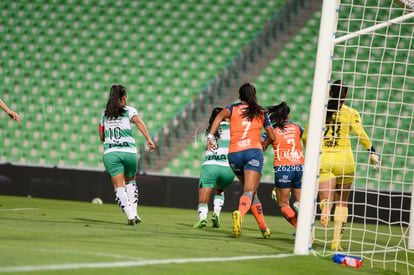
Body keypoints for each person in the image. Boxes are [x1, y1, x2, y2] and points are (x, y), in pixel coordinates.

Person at [302, 80, 380, 251]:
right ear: (346, 95)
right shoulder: (351, 113)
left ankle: (325, 208)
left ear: (330, 93)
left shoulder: (319, 112)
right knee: (342, 202)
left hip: (325, 159)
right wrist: (372, 152)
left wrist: (313, 152)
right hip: (345, 161)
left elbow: (306, 137)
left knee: (326, 198)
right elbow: (360, 133)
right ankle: (336, 242)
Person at [207, 83, 276, 238]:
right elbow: (273, 137)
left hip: (234, 155)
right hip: (253, 153)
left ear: (239, 95)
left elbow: (218, 116)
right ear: (255, 95)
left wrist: (210, 136)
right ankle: (240, 213)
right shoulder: (261, 112)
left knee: (252, 192)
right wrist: (265, 144)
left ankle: (264, 228)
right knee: (249, 191)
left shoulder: (232, 108)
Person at [99, 84, 156, 225]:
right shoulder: (130, 110)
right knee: (131, 182)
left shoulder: (104, 115)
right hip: (129, 152)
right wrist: (148, 139)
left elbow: (101, 136)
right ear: (124, 98)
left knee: (119, 186)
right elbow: (139, 122)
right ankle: (135, 213)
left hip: (111, 153)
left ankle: (130, 216)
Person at [262, 102, 305, 230]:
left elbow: (263, 146)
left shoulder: (272, 129)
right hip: (299, 167)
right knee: (301, 202)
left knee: (283, 204)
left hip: (283, 168)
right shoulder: (297, 127)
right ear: (288, 115)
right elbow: (307, 138)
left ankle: (299, 228)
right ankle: (304, 223)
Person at [193, 107, 235, 229]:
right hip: (228, 167)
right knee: (220, 190)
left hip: (211, 165)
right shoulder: (232, 128)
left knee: (203, 196)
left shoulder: (208, 130)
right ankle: (216, 213)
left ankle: (203, 218)